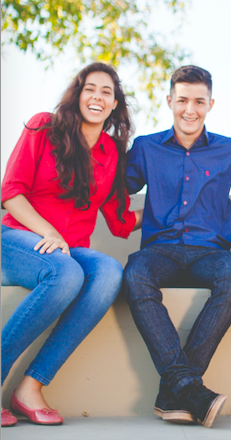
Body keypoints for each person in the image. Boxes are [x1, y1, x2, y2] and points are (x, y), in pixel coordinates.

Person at [1, 63, 141, 427]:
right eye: (89, 88)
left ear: (114, 104)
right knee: (65, 275)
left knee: (109, 272)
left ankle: (30, 387)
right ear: (78, 94)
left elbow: (119, 219)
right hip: (19, 236)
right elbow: (11, 193)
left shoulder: (112, 153)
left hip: (69, 250)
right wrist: (47, 231)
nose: (97, 97)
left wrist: (175, 211)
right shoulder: (43, 126)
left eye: (106, 92)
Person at [122, 65, 231, 428]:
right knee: (134, 274)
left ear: (211, 103)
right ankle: (190, 389)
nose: (190, 110)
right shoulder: (146, 147)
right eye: (182, 100)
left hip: (210, 252)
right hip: (159, 250)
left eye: (199, 101)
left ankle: (177, 389)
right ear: (169, 101)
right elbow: (114, 189)